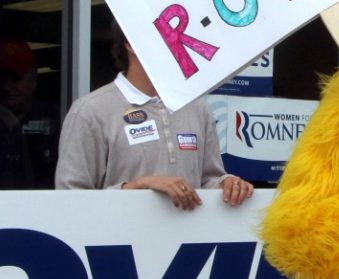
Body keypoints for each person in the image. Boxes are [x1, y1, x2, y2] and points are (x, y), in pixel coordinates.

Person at [55, 23, 253, 210]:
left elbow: (208, 179)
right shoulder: (90, 111)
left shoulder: (196, 106)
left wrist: (226, 184)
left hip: (185, 241)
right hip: (119, 242)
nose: (176, 41)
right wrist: (139, 185)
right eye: (166, 33)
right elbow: (69, 199)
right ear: (131, 43)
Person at [0, 38, 36, 189]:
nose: (7, 86)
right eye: (1, 78)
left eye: (16, 78)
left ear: (33, 78)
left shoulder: (56, 120)